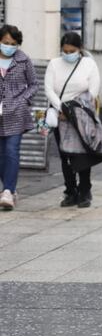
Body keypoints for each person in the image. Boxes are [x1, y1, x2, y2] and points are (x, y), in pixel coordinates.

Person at [45, 33, 101, 208]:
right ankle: (70, 191)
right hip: (60, 116)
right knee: (65, 156)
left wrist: (73, 110)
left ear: (80, 49)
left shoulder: (89, 64)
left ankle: (85, 191)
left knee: (82, 154)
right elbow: (48, 89)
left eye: (72, 51)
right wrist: (61, 108)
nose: (68, 53)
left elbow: (93, 91)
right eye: (65, 51)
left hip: (81, 115)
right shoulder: (54, 64)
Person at [0, 25, 38, 211]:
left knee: (11, 151)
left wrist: (22, 101)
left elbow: (33, 85)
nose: (8, 46)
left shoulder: (23, 61)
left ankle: (7, 191)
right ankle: (11, 189)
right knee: (1, 156)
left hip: (16, 114)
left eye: (13, 44)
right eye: (5, 43)